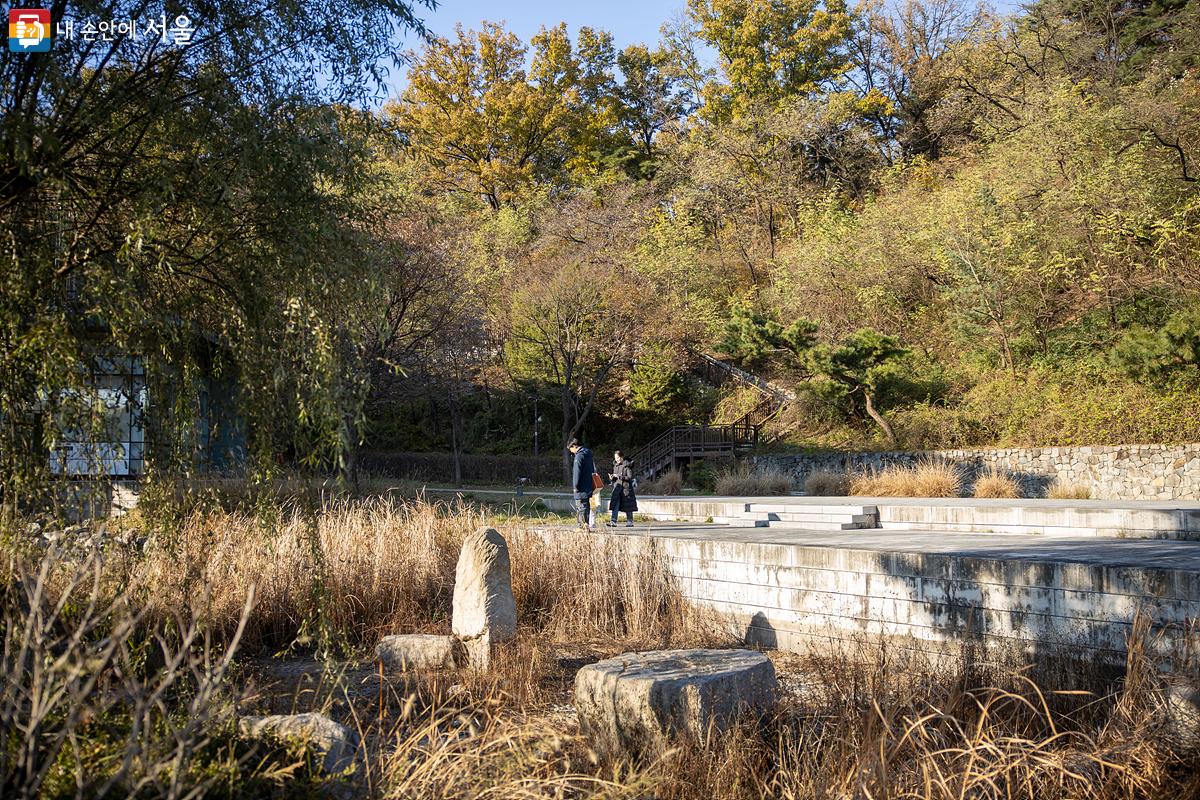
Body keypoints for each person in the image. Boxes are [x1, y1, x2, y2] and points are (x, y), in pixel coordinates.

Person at [567, 438, 596, 529]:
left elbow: (577, 472)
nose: (571, 452)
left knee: (580, 507)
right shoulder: (588, 454)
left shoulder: (579, 456)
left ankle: (582, 527)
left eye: (571, 449)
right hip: (588, 485)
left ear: (574, 446)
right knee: (586, 506)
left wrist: (575, 486)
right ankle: (586, 524)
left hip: (581, 486)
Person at [606, 450, 638, 528]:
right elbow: (615, 479)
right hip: (617, 488)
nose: (617, 459)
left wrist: (619, 477)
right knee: (615, 505)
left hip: (626, 489)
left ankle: (630, 521)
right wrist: (612, 478)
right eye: (616, 458)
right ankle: (613, 521)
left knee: (628, 505)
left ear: (622, 456)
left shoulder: (627, 466)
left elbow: (629, 477)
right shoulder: (615, 466)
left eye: (618, 457)